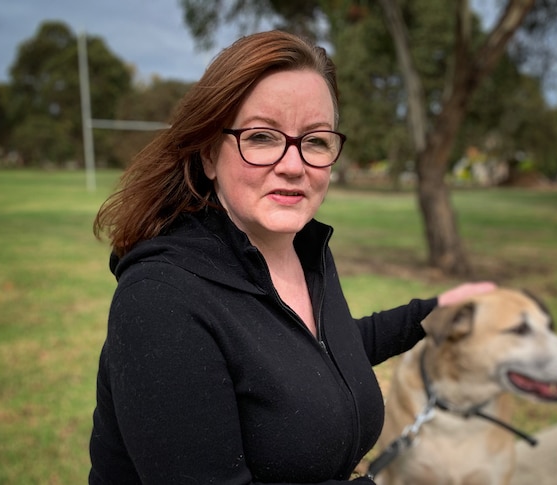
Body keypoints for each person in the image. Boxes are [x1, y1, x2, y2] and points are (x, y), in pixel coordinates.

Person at [88, 29, 495, 484]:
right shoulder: (162, 301)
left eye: (316, 141)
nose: (293, 164)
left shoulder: (304, 251)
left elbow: (313, 354)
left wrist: (432, 314)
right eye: (262, 136)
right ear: (207, 154)